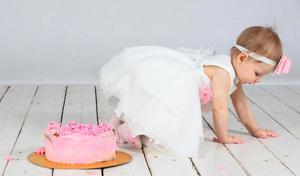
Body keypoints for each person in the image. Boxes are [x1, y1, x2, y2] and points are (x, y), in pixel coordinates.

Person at [98, 26, 291, 157]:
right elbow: (219, 108)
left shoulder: (235, 75)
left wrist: (255, 130)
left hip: (184, 90)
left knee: (160, 113)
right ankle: (130, 127)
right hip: (179, 86)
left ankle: (124, 123)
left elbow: (241, 105)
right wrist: (223, 137)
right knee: (163, 114)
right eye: (258, 73)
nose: (258, 80)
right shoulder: (224, 74)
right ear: (242, 58)